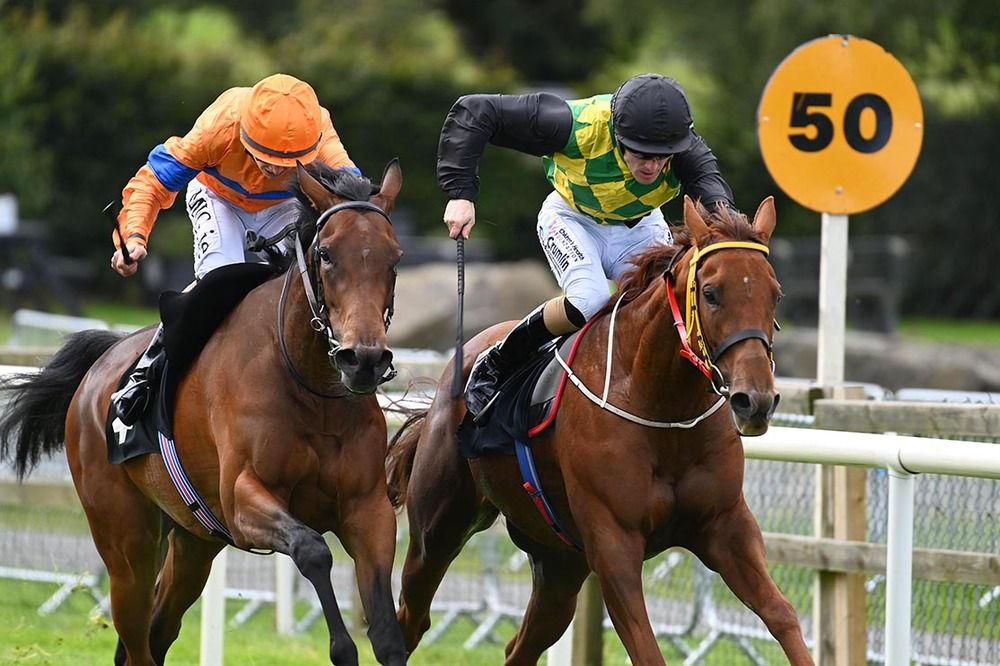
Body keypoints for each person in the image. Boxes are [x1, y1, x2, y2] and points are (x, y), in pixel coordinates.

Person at [437, 73, 737, 419]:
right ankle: (499, 360)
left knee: (665, 307)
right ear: (617, 135)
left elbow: (717, 204)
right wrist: (460, 193)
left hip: (639, 226)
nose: (653, 166)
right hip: (571, 219)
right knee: (589, 299)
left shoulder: (688, 150)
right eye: (642, 154)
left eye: (663, 156)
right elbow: (475, 111)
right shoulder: (573, 125)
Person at [109, 73, 360, 426]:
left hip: (283, 204)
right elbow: (153, 180)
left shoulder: (320, 129)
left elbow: (353, 195)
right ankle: (146, 370)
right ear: (244, 134)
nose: (273, 168)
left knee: (307, 281)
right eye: (264, 157)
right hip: (218, 198)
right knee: (219, 280)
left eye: (285, 163)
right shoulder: (222, 124)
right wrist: (134, 235)